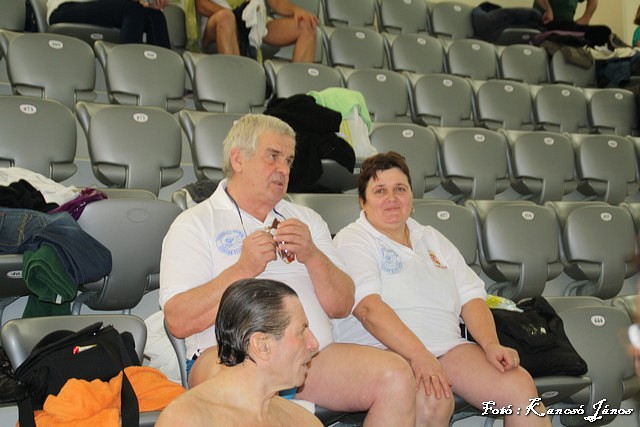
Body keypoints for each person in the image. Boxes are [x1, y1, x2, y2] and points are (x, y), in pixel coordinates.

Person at [159, 114, 417, 426]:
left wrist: (312, 255)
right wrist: (243, 269)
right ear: (238, 159)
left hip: (310, 358)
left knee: (397, 375)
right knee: (251, 387)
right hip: (229, 357)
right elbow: (178, 320)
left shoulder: (307, 220)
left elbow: (342, 304)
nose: (283, 169)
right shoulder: (194, 223)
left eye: (289, 160)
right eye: (273, 156)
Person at [332, 151, 552, 427]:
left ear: (411, 196)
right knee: (433, 398)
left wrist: (491, 344)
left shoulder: (431, 237)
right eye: (380, 191)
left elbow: (471, 298)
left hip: (447, 348)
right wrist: (419, 355)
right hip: (383, 348)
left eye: (400, 189)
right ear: (362, 202)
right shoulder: (353, 240)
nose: (392, 198)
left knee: (519, 386)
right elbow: (368, 309)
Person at [157, 278, 322, 427]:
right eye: (302, 332)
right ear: (261, 345)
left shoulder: (303, 421)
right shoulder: (187, 420)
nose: (314, 344)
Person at [195, 0, 317, 62]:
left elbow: (276, 2)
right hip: (217, 20)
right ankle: (237, 83)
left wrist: (297, 11)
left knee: (307, 25)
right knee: (227, 18)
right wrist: (237, 17)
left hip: (252, 20)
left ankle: (299, 97)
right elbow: (201, 5)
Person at [46, 0, 171, 48]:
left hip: (102, 7)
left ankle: (166, 80)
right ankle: (128, 75)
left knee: (156, 16)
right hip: (64, 8)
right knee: (132, 9)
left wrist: (151, 3)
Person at [533, 0, 611, 47]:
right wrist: (547, 9)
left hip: (567, 27)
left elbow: (593, 1)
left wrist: (586, 18)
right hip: (544, 25)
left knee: (604, 31)